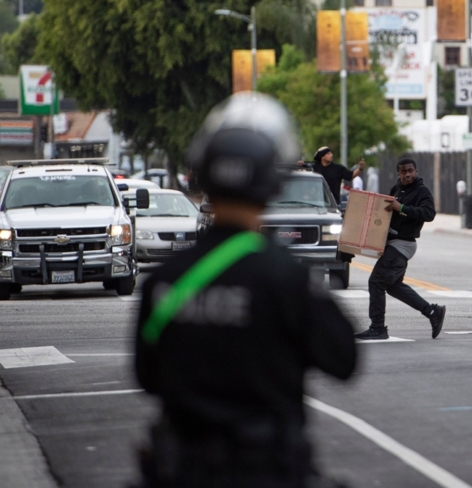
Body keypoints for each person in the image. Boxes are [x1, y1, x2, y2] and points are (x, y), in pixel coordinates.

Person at [134, 93, 357, 488]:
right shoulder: (284, 277)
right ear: (271, 182)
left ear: (203, 176)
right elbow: (344, 360)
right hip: (267, 468)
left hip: (182, 469)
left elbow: (147, 375)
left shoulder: (164, 280)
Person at [354, 157, 446, 341]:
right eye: (404, 172)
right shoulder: (397, 189)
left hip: (403, 244)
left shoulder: (422, 192)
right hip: (393, 242)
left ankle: (377, 328)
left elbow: (429, 214)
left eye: (411, 170)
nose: (408, 174)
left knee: (376, 282)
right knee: (393, 287)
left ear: (416, 171)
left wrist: (402, 207)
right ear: (399, 173)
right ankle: (432, 312)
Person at [298, 147, 364, 204]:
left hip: (333, 204)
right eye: (328, 154)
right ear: (322, 156)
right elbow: (304, 166)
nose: (331, 155)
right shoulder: (314, 167)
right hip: (316, 203)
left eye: (331, 153)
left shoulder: (338, 168)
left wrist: (360, 168)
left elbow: (351, 175)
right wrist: (301, 164)